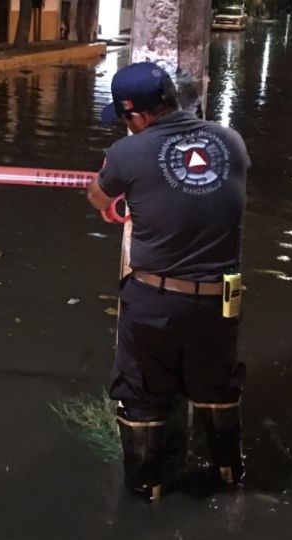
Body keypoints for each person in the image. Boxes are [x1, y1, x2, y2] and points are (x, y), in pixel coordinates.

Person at [87, 62, 250, 500]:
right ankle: (230, 474)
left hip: (155, 300)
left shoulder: (129, 152)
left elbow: (98, 196)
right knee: (217, 383)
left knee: (141, 391)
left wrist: (113, 174)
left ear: (135, 115)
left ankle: (146, 489)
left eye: (125, 119)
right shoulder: (231, 141)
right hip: (220, 299)